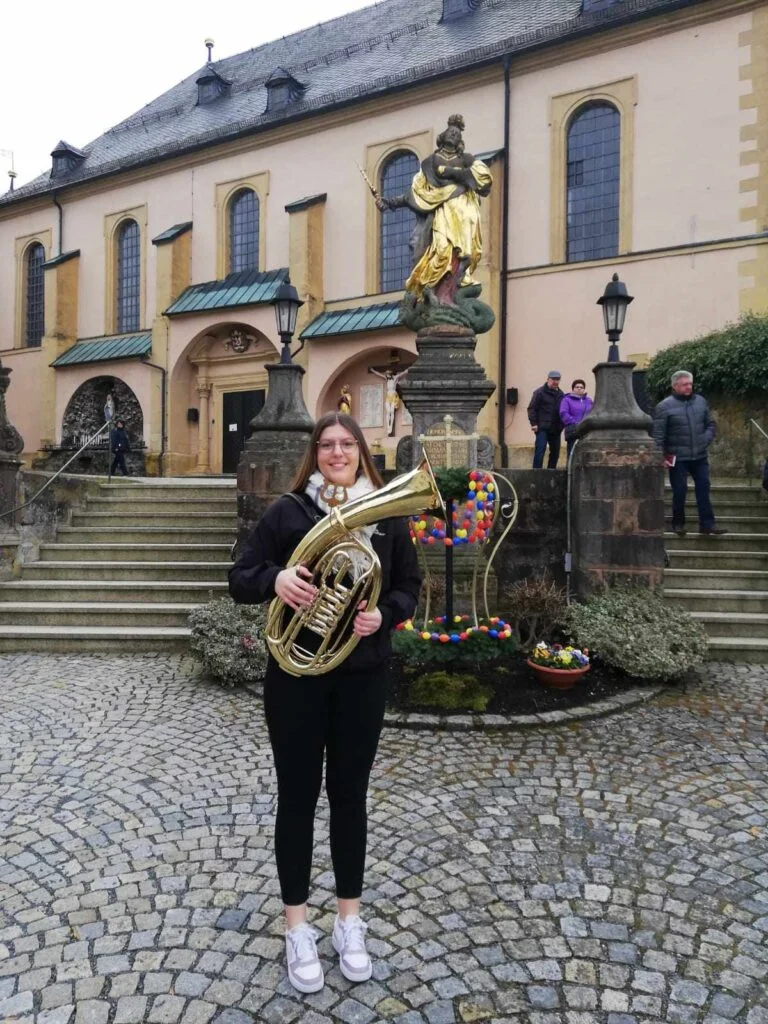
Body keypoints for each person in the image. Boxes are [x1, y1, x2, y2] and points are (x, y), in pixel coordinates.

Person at [228, 413, 422, 995]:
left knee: (350, 798)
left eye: (347, 445)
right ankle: (296, 928)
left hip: (362, 676)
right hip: (296, 680)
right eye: (327, 445)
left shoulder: (387, 516)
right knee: (296, 798)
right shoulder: (287, 512)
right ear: (314, 454)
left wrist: (383, 614)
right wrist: (277, 580)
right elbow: (239, 576)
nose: (337, 453)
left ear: (363, 454)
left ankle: (348, 921)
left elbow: (408, 588)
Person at [375, 114, 492, 304]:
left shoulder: (466, 159)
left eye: (457, 133)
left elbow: (484, 178)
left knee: (463, 254)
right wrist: (389, 203)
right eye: (451, 132)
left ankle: (451, 294)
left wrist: (452, 172)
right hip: (442, 217)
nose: (454, 135)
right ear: (443, 135)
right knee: (442, 251)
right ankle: (433, 290)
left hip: (463, 216)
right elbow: (416, 193)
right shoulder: (430, 163)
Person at [652, 370, 727, 536]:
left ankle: (707, 524)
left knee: (704, 488)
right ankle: (677, 523)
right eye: (685, 384)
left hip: (700, 456)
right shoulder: (664, 407)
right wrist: (659, 456)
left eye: (690, 384)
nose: (689, 387)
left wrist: (705, 438)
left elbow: (711, 424)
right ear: (675, 386)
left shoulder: (700, 401)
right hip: (677, 457)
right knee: (679, 490)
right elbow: (658, 435)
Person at [527, 371, 564, 469]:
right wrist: (533, 423)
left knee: (555, 453)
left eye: (557, 380)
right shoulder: (539, 392)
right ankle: (536, 473)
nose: (555, 382)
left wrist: (561, 426)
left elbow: (562, 411)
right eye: (553, 379)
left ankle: (551, 472)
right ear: (548, 379)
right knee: (540, 451)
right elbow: (532, 408)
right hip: (542, 428)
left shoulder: (561, 394)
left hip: (556, 429)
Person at [368, 366, 409, 436]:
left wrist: (408, 369)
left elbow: (403, 373)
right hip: (388, 396)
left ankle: (390, 428)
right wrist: (373, 371)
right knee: (388, 412)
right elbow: (379, 374)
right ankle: (388, 428)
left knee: (391, 411)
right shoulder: (386, 379)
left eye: (387, 374)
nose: (386, 375)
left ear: (390, 373)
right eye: (386, 374)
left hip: (393, 396)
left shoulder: (395, 378)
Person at [559, 379, 594, 461]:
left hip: (586, 431)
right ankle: (570, 472)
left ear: (584, 389)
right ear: (573, 389)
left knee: (586, 454)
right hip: (573, 430)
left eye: (581, 387)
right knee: (572, 453)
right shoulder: (566, 400)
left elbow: (593, 412)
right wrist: (575, 423)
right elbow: (564, 413)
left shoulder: (589, 401)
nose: (579, 388)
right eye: (577, 387)